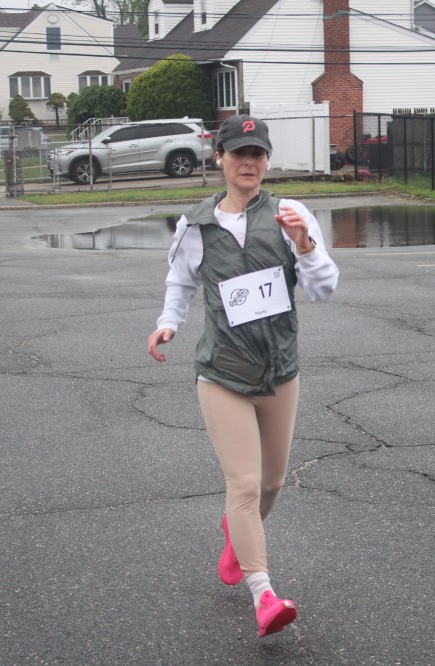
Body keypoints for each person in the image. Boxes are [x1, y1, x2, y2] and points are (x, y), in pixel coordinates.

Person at [147, 114, 339, 637]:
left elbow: (324, 290)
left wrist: (305, 246)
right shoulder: (196, 225)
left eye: (257, 154)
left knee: (272, 482)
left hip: (280, 370)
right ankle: (264, 594)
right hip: (222, 373)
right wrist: (168, 324)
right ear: (220, 159)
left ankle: (236, 534)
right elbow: (180, 282)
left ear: (267, 161)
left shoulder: (291, 215)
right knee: (246, 482)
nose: (248, 162)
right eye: (239, 153)